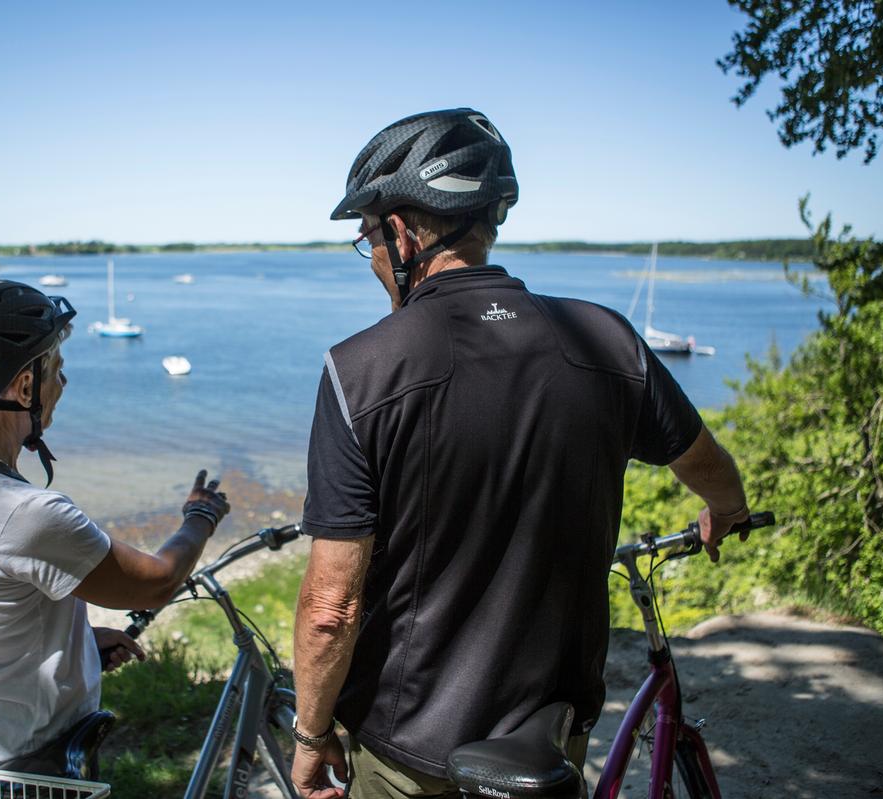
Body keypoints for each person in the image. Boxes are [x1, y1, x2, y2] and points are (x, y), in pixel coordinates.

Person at [289, 109, 750, 799]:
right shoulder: (608, 342)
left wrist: (311, 733)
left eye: (370, 239)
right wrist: (728, 508)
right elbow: (705, 462)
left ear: (405, 231)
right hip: (550, 732)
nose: (375, 262)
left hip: (410, 748)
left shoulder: (360, 371)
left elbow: (331, 607)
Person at [0, 279, 230, 776]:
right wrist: (200, 516)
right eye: (57, 369)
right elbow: (156, 581)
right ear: (23, 387)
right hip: (29, 759)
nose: (64, 383)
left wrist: (76, 640)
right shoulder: (26, 513)